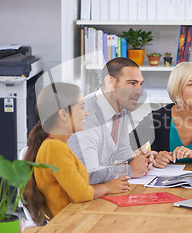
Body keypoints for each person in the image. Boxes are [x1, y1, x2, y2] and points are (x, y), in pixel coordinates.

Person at [23, 82, 130, 224]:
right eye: (81, 107)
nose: (86, 113)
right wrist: (108, 187)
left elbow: (79, 187)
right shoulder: (54, 148)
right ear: (63, 114)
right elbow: (81, 194)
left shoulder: (59, 145)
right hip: (69, 225)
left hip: (77, 217)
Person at [68, 57, 155, 184]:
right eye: (132, 83)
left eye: (140, 84)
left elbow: (121, 150)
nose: (139, 92)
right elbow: (87, 173)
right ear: (110, 82)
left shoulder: (121, 108)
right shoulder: (85, 114)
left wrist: (140, 160)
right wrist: (130, 170)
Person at [133, 62, 192, 168]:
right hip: (165, 183)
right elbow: (124, 148)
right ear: (177, 89)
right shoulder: (158, 117)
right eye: (191, 84)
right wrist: (153, 157)